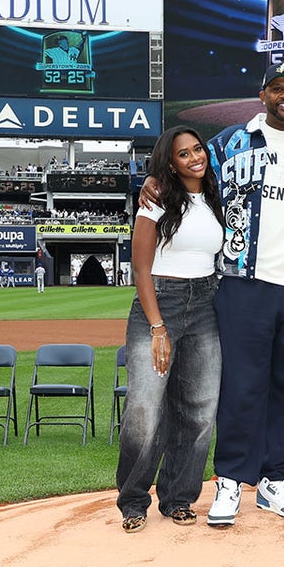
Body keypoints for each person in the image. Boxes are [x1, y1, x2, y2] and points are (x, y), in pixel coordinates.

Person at [139, 61, 284, 527]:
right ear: (262, 94)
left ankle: (274, 479)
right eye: (276, 88)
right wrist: (152, 179)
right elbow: (188, 178)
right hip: (244, 282)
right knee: (242, 386)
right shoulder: (228, 143)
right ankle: (229, 480)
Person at [116, 126, 224, 534]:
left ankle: (178, 497)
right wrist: (158, 325)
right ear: (170, 162)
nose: (195, 157)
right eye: (184, 153)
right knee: (145, 409)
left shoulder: (216, 195)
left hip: (206, 303)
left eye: (198, 149)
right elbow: (141, 267)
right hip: (160, 302)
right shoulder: (157, 196)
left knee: (199, 410)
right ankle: (132, 500)